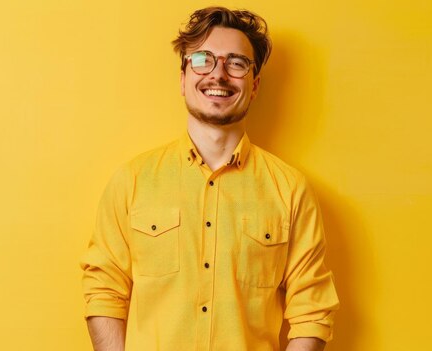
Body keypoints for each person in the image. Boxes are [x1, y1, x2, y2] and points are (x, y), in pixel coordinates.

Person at [80, 6, 339, 351]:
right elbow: (104, 291)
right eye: (203, 59)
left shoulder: (290, 191)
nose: (218, 75)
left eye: (236, 63)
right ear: (183, 79)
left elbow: (312, 309)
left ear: (255, 83)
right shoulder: (132, 182)